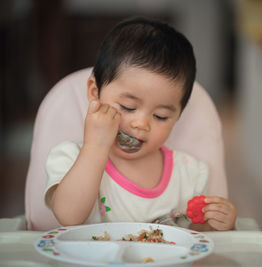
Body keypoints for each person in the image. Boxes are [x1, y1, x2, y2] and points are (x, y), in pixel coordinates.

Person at [44, 17, 236, 231]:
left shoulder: (189, 174)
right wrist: (95, 146)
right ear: (95, 93)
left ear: (178, 115)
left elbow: (196, 239)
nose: (141, 123)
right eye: (127, 107)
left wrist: (217, 225)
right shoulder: (70, 157)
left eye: (161, 116)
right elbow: (68, 216)